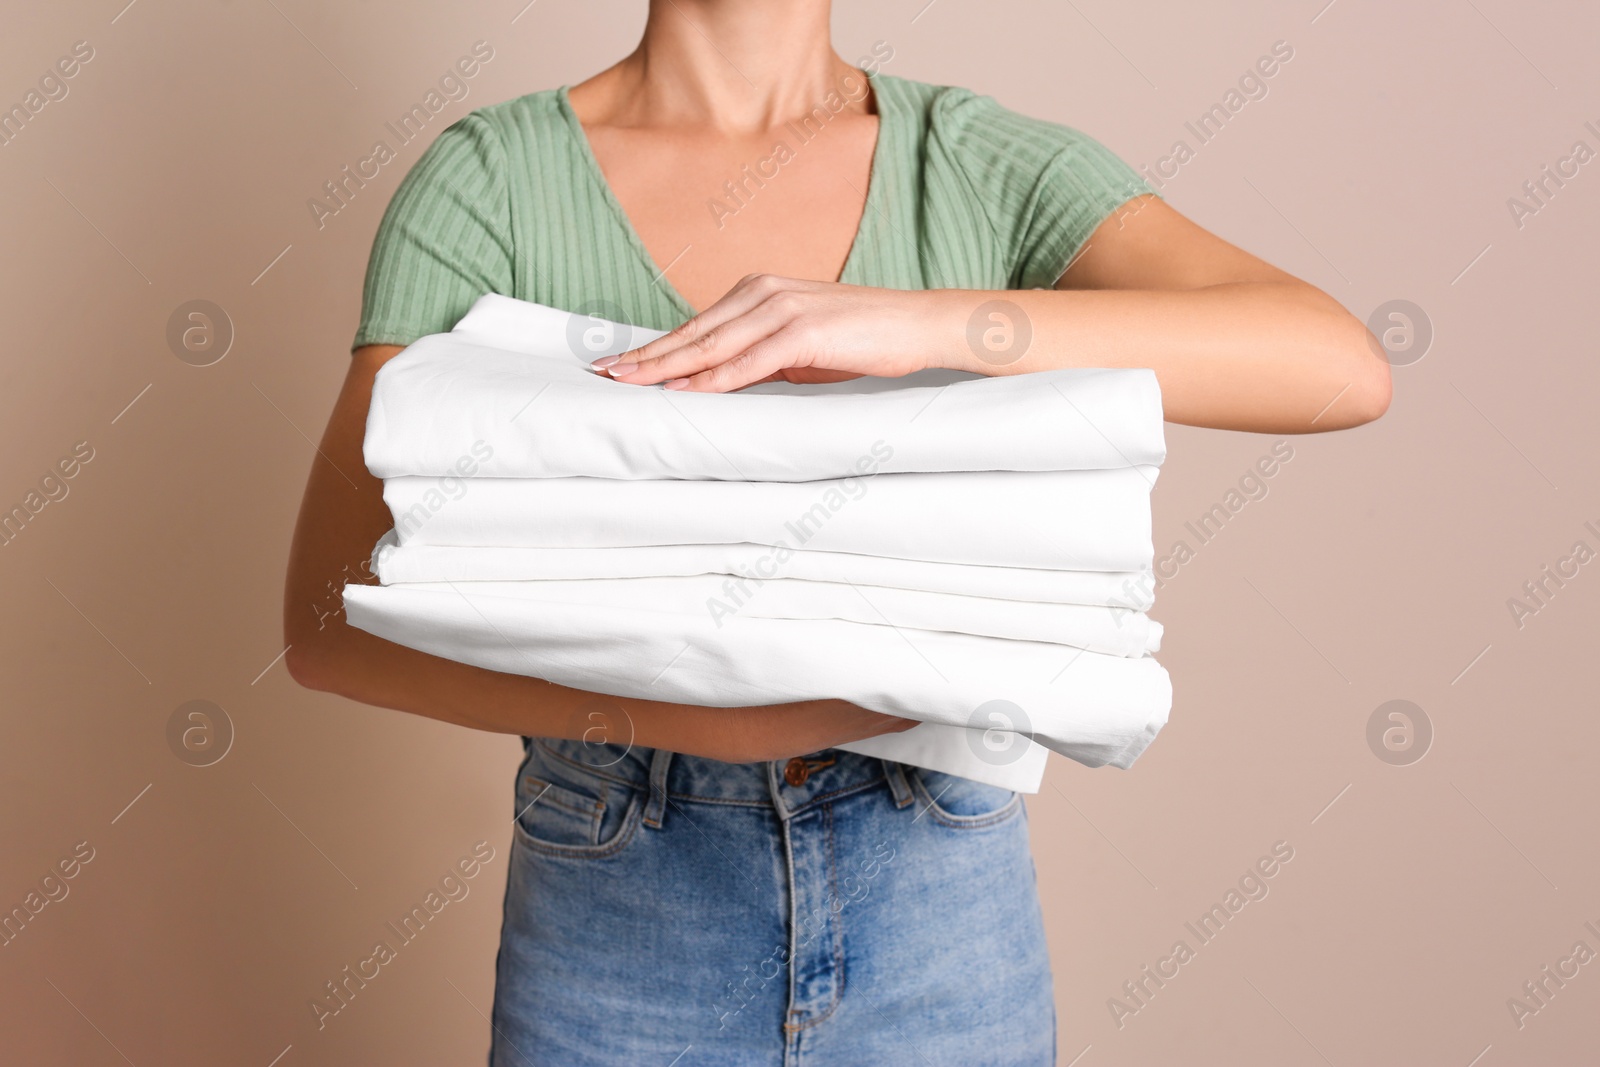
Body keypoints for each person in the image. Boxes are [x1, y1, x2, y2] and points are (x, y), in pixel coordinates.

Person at [283, 2, 1390, 1063]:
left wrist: (906, 323)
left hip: (939, 890)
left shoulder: (978, 165)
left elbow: (1336, 362)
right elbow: (330, 621)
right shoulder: (492, 183)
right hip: (618, 890)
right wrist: (730, 718)